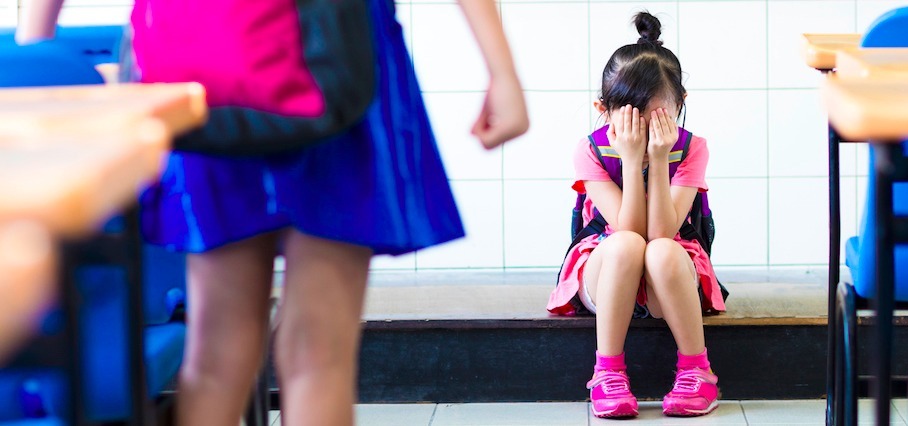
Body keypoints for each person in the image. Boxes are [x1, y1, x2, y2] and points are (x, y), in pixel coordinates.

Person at [17, 0, 528, 424]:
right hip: (334, 50)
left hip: (206, 57)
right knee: (318, 353)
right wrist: (501, 70)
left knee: (216, 353)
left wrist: (35, 64)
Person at [546, 11, 724, 419]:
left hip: (669, 271)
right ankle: (607, 372)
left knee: (660, 249)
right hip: (608, 267)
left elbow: (661, 233)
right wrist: (629, 159)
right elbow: (628, 231)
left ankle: (698, 371)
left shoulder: (691, 148)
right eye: (630, 121)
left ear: (680, 105)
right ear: (603, 110)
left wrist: (658, 159)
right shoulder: (590, 150)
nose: (642, 135)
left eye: (658, 120)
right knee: (626, 243)